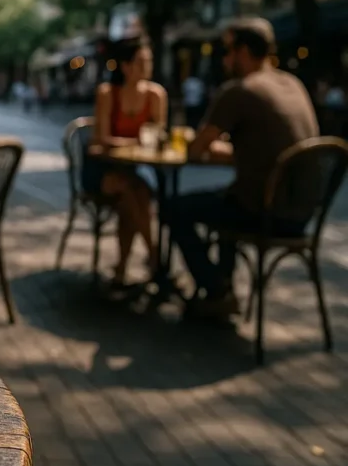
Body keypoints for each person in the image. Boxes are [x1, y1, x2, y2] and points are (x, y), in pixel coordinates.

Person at [169, 17, 319, 318]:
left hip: (265, 213)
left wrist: (204, 146)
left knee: (174, 208)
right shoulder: (293, 83)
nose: (223, 59)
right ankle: (222, 287)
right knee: (230, 196)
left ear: (244, 51)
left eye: (227, 50)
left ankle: (215, 289)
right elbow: (266, 150)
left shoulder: (241, 90)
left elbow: (197, 150)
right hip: (303, 214)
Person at [84, 36, 168, 286]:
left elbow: (157, 135)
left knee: (134, 195)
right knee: (131, 189)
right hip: (101, 169)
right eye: (141, 62)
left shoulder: (156, 95)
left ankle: (123, 268)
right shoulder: (108, 93)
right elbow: (101, 139)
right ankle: (154, 255)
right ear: (125, 66)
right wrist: (135, 142)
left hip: (133, 169)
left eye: (149, 62)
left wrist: (132, 142)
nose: (147, 67)